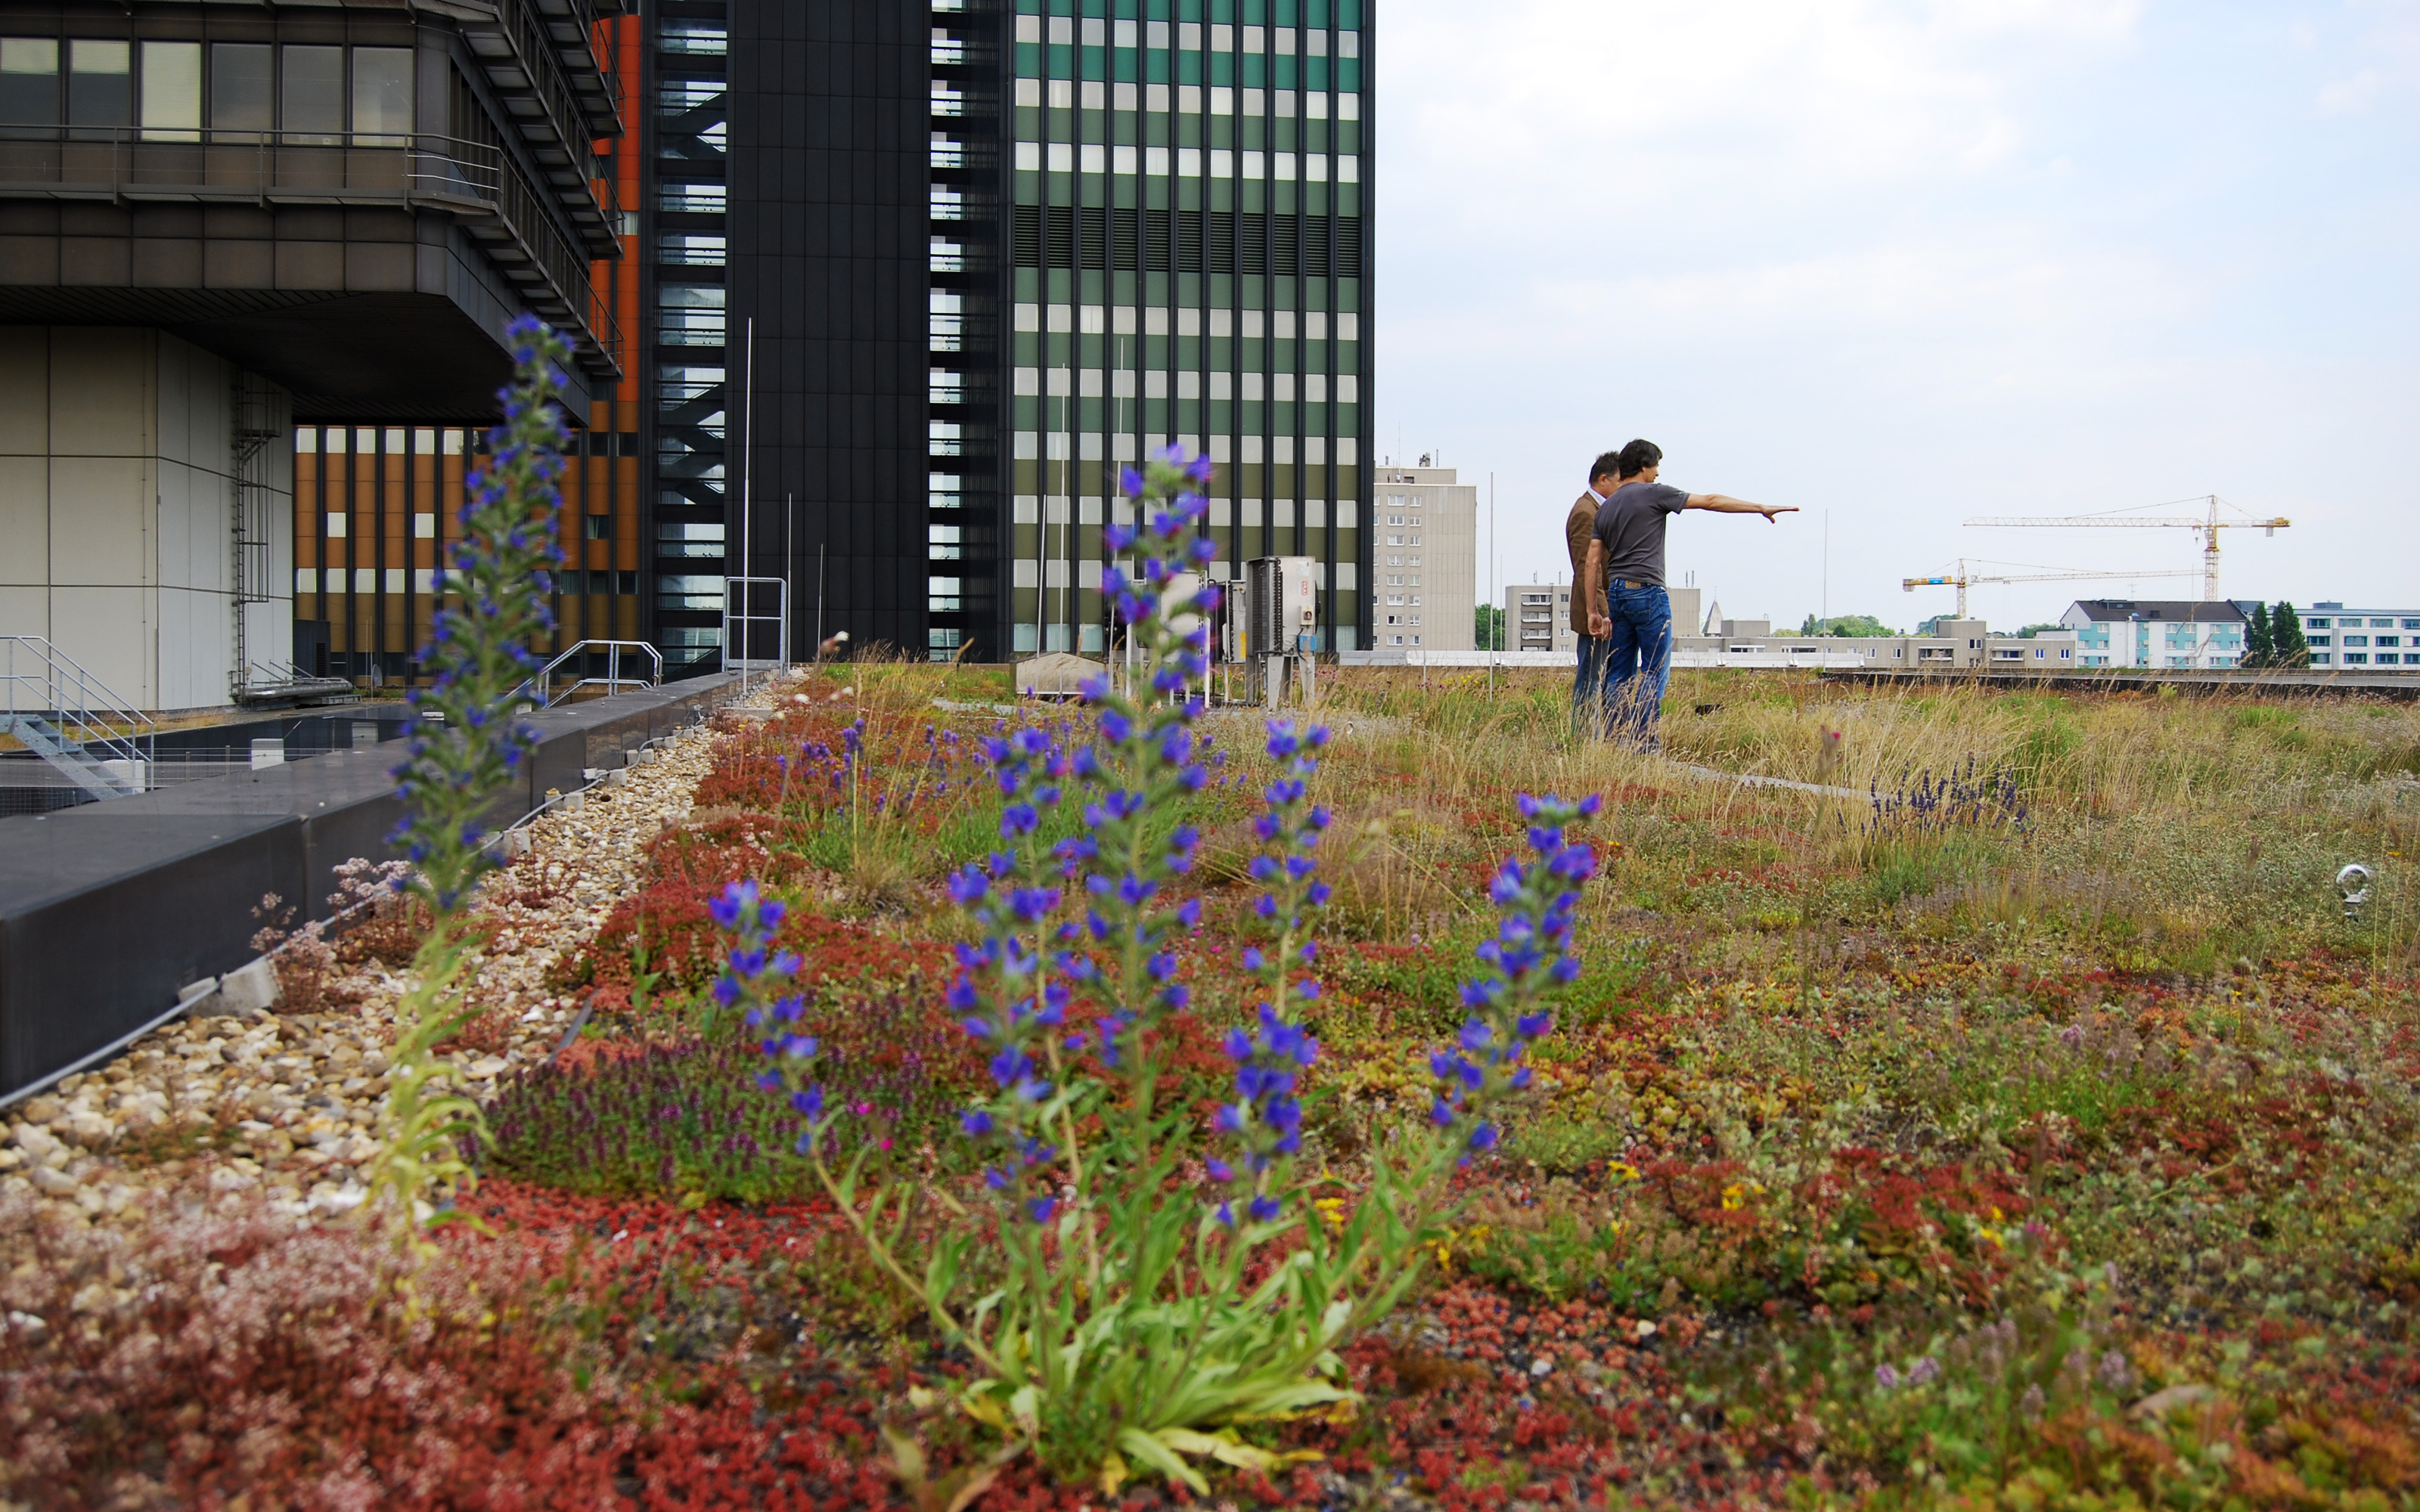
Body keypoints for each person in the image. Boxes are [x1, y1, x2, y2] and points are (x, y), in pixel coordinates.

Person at [1584, 439, 1797, 750]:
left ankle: (1616, 741)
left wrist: (1593, 609)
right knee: (1654, 671)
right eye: (1656, 466)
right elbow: (1710, 500)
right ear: (1643, 466)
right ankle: (1644, 743)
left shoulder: (1608, 507)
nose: (1657, 473)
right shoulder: (1655, 494)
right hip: (1647, 592)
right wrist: (1759, 508)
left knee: (1618, 673)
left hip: (1616, 593)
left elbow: (1591, 561)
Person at [1564, 451, 1625, 739]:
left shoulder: (1597, 511)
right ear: (1603, 480)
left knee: (1597, 676)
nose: (1622, 490)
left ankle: (1594, 737)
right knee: (1590, 677)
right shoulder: (1585, 513)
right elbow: (1586, 568)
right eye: (1619, 483)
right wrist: (1600, 612)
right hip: (1595, 614)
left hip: (1601, 610)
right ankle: (1582, 738)